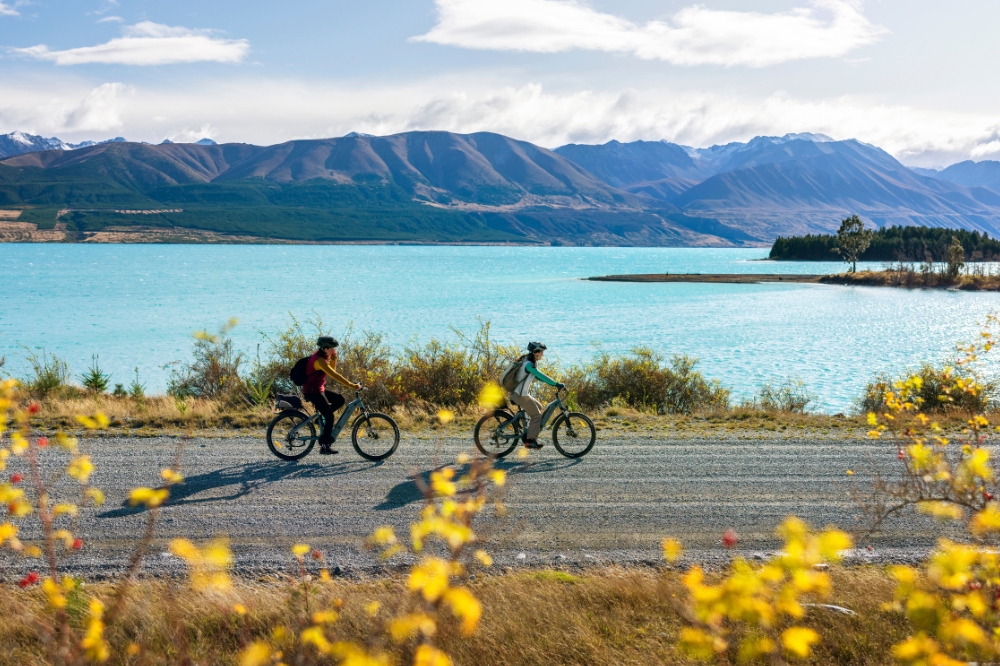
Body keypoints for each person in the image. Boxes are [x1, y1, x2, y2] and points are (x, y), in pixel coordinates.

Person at [301, 336, 362, 454]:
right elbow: (335, 375)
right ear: (325, 348)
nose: (333, 351)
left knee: (340, 400)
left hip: (318, 389)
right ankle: (325, 445)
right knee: (330, 417)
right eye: (332, 349)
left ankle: (320, 421)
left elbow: (331, 371)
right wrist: (352, 385)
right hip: (313, 391)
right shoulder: (319, 360)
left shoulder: (322, 358)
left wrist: (333, 358)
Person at [508, 341, 565, 449]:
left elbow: (538, 377)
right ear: (536, 352)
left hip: (520, 394)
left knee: (539, 407)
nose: (543, 354)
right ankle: (530, 440)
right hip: (520, 395)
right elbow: (539, 374)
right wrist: (556, 384)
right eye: (542, 352)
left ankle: (528, 431)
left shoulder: (528, 361)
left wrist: (551, 383)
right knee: (537, 416)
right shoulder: (529, 364)